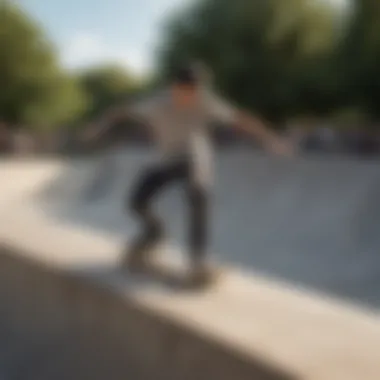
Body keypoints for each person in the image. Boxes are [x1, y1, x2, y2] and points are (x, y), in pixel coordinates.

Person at [83, 62, 293, 283]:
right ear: (174, 88)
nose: (190, 98)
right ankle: (154, 234)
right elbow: (120, 112)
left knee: (199, 193)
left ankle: (198, 260)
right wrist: (97, 127)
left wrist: (271, 139)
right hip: (165, 158)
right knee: (136, 203)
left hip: (194, 156)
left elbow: (241, 120)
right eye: (185, 92)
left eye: (195, 92)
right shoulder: (157, 102)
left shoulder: (207, 102)